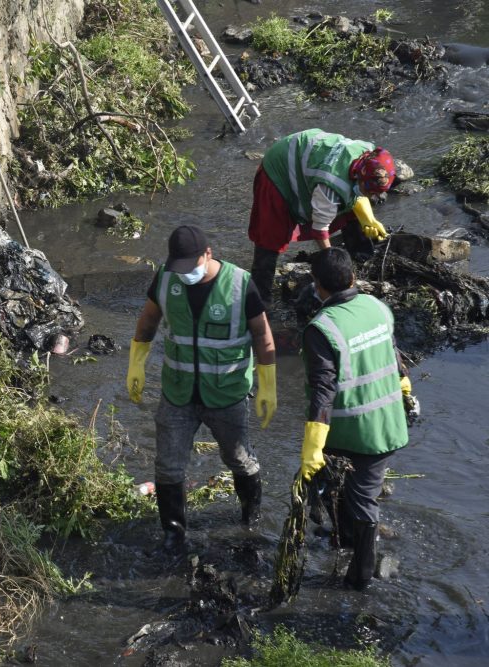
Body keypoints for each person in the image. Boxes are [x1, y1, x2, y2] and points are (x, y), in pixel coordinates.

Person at [127, 225, 277, 552]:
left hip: (226, 394)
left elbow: (263, 336)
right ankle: (173, 534)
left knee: (239, 459)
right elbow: (148, 320)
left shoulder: (239, 284)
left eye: (190, 268)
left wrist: (267, 384)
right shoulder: (167, 278)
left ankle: (250, 520)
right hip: (178, 393)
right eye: (179, 269)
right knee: (168, 464)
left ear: (207, 254)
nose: (185, 275)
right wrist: (136, 361)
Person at [298, 248, 411, 591]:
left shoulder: (322, 328)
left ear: (318, 287)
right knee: (351, 493)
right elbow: (394, 358)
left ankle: (360, 579)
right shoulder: (378, 307)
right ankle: (346, 542)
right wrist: (407, 392)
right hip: (388, 423)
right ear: (353, 278)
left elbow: (322, 389)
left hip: (352, 431)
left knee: (360, 500)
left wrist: (311, 447)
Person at [248, 128, 396, 307]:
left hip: (309, 156)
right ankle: (261, 300)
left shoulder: (369, 154)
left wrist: (369, 219)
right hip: (279, 169)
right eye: (370, 191)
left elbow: (356, 198)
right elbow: (320, 230)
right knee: (270, 236)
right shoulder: (332, 185)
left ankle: (360, 258)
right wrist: (331, 265)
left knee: (350, 208)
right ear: (360, 177)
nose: (373, 197)